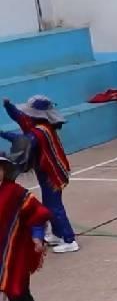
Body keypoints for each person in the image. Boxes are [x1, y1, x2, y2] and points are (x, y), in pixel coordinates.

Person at [2, 96, 78, 254]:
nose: (25, 115)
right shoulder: (37, 124)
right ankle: (58, 235)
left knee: (54, 207)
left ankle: (69, 240)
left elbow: (22, 140)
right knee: (49, 205)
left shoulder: (40, 132)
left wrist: (2, 134)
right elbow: (19, 116)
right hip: (47, 172)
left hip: (54, 175)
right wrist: (8, 105)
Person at [0, 151, 50, 301]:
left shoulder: (15, 193)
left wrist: (38, 237)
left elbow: (37, 214)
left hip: (13, 257)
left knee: (20, 299)